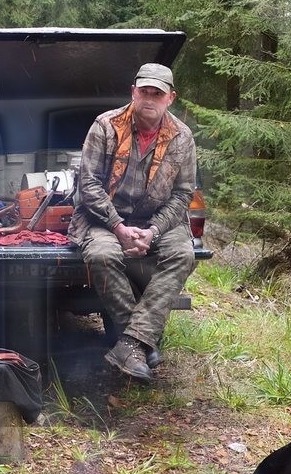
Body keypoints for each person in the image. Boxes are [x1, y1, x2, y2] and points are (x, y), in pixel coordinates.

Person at [71, 62, 199, 382]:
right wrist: (118, 227)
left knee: (183, 253)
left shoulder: (182, 137)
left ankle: (130, 343)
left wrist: (153, 230)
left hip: (157, 220)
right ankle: (142, 341)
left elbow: (183, 194)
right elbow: (88, 185)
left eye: (157, 93)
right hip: (104, 218)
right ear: (133, 92)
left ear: (170, 98)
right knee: (101, 254)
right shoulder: (105, 126)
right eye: (145, 91)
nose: (150, 99)